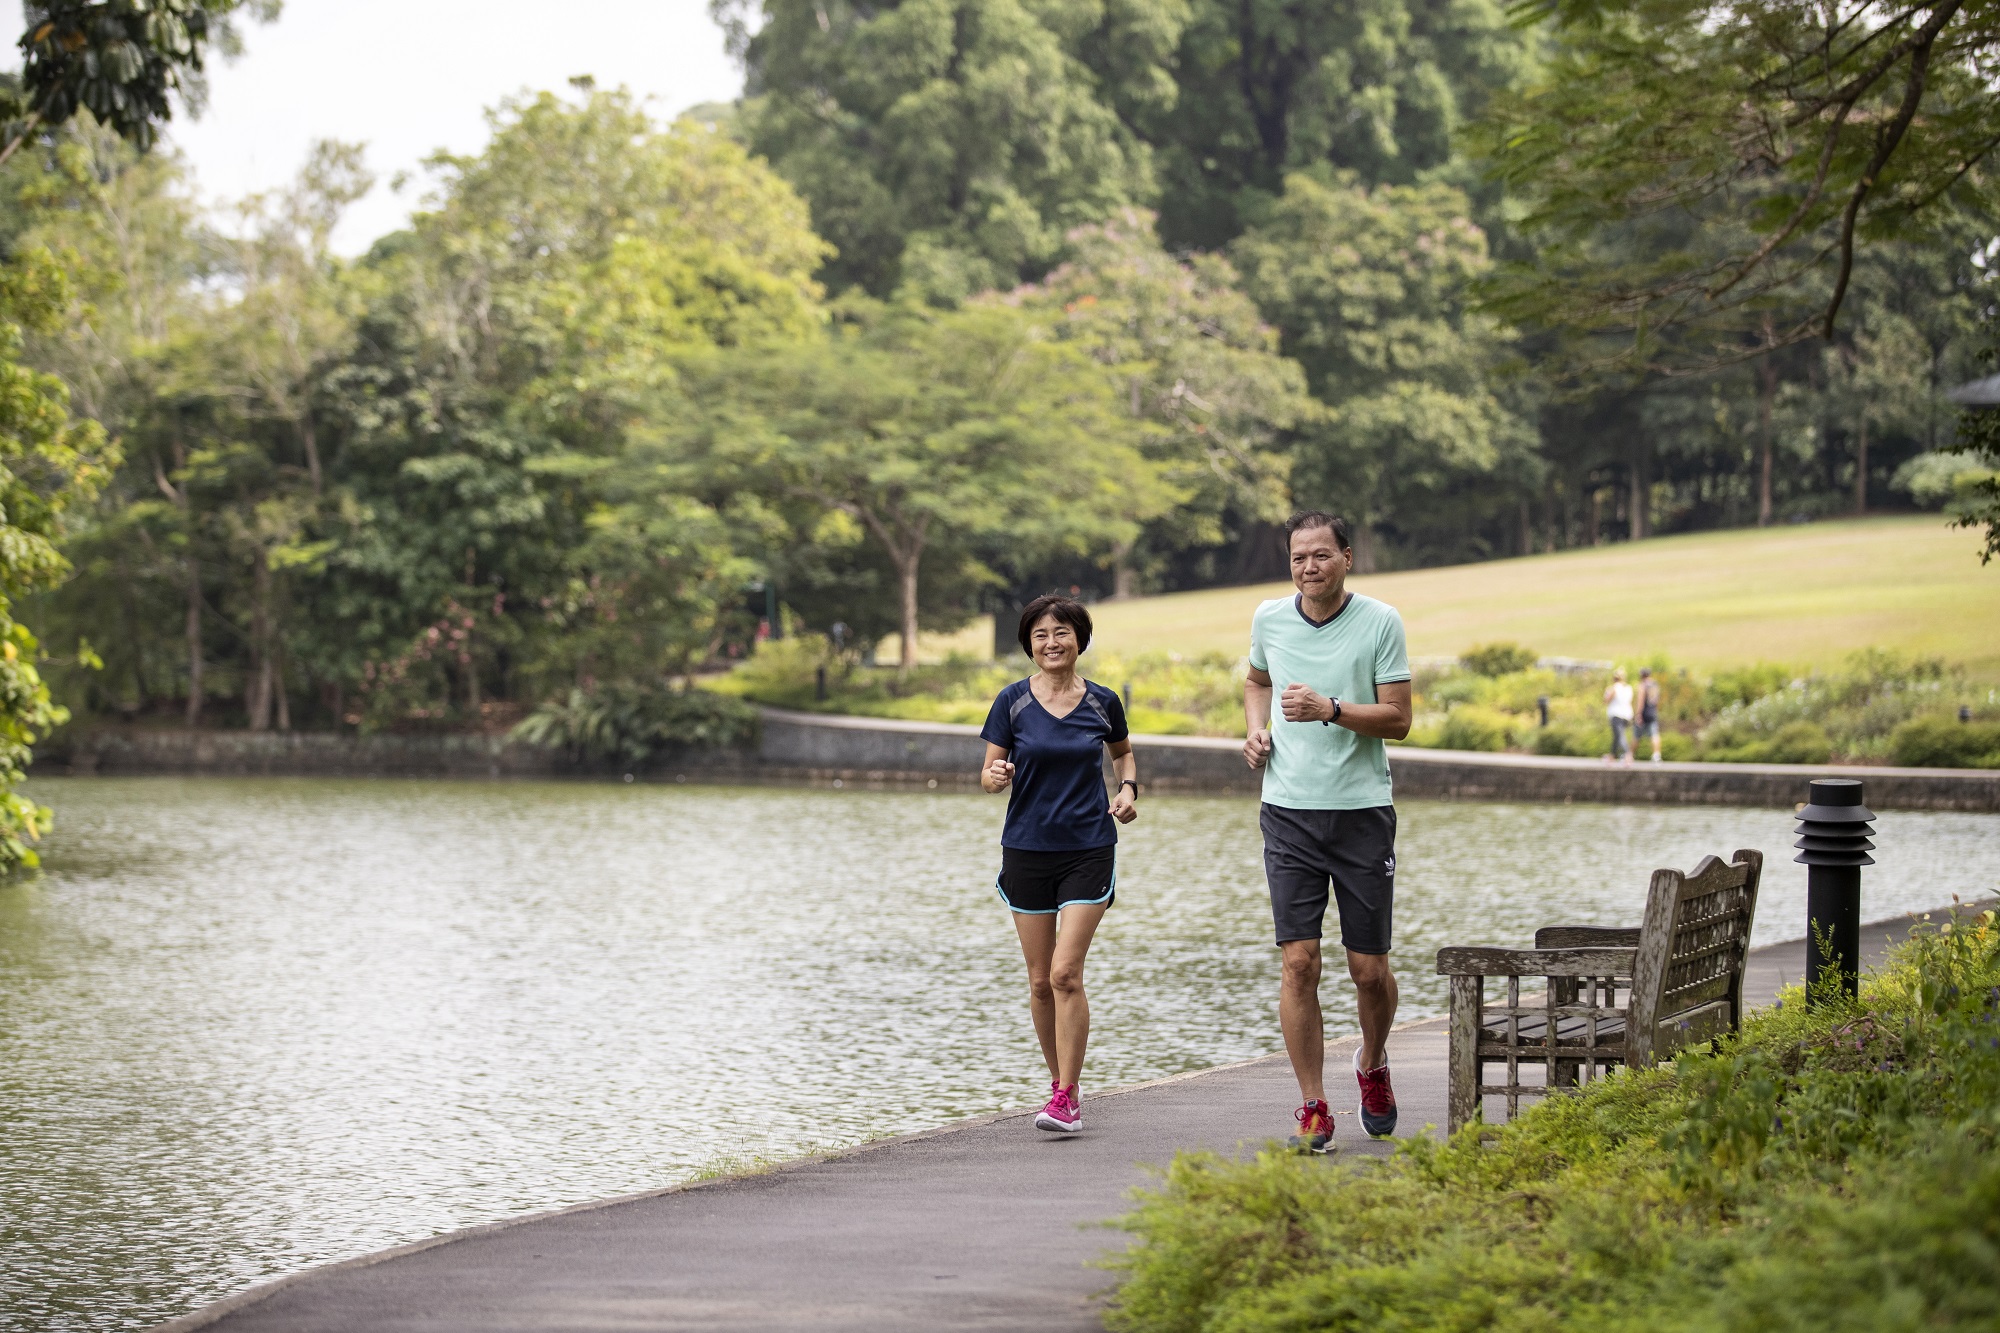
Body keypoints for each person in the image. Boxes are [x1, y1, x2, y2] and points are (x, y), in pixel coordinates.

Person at [1243, 512, 1412, 1154]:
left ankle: (1371, 1063)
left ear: (1347, 557)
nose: (1307, 567)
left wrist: (1331, 710)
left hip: (1362, 812)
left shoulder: (1380, 621)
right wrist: (1256, 730)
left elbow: (1399, 720)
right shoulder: (1269, 618)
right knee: (1299, 962)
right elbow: (1257, 680)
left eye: (1320, 555)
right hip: (1287, 811)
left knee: (1368, 970)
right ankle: (1314, 1105)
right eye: (1296, 558)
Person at [980, 594, 1137, 1134]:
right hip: (1026, 848)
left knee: (1065, 972)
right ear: (1029, 644)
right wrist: (996, 777)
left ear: (1078, 640)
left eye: (1062, 632)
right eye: (1041, 634)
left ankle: (1067, 1096)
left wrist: (1129, 788)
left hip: (1089, 846)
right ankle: (1059, 1086)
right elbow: (988, 771)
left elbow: (1122, 753)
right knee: (1040, 981)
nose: (1052, 642)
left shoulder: (1102, 701)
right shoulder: (1011, 701)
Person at [1604, 667, 1635, 765]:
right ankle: (1612, 756)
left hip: (1616, 714)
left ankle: (1628, 755)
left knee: (1620, 735)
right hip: (1627, 715)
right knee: (1617, 737)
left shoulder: (1614, 688)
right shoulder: (1628, 688)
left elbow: (1606, 700)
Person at [1636, 667, 1663, 763]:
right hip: (1653, 712)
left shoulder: (1643, 685)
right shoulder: (1655, 685)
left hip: (1644, 713)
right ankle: (1656, 755)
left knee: (1636, 736)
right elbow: (1657, 700)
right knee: (1654, 735)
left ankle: (1628, 754)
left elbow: (1640, 700)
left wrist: (1638, 714)